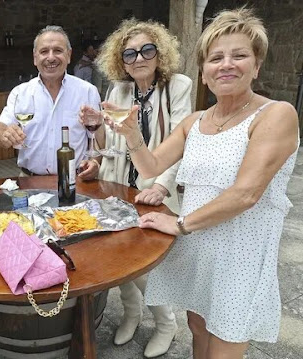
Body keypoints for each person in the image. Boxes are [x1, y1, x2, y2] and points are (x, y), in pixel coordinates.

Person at [111, 8, 299, 359]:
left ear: (256, 66)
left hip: (239, 258)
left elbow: (246, 194)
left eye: (239, 55)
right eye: (216, 58)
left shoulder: (276, 114)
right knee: (198, 334)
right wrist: (132, 135)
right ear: (204, 72)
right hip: (199, 251)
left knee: (224, 348)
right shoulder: (195, 121)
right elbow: (151, 165)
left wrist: (178, 223)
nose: (226, 64)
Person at [80, 19, 193, 357]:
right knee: (120, 259)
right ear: (121, 60)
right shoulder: (119, 90)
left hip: (152, 189)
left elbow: (180, 143)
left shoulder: (178, 87)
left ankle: (165, 324)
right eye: (129, 54)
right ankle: (130, 315)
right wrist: (96, 126)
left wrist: (160, 186)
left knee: (145, 266)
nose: (138, 59)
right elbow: (108, 143)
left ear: (160, 53)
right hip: (119, 188)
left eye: (147, 50)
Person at [0, 25, 101, 180]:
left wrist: (95, 163)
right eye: (44, 51)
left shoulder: (88, 91)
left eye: (58, 50)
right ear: (35, 57)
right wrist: (5, 135)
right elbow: (0, 128)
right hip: (29, 182)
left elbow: (97, 139)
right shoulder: (20, 93)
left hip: (76, 181)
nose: (51, 57)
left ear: (69, 55)